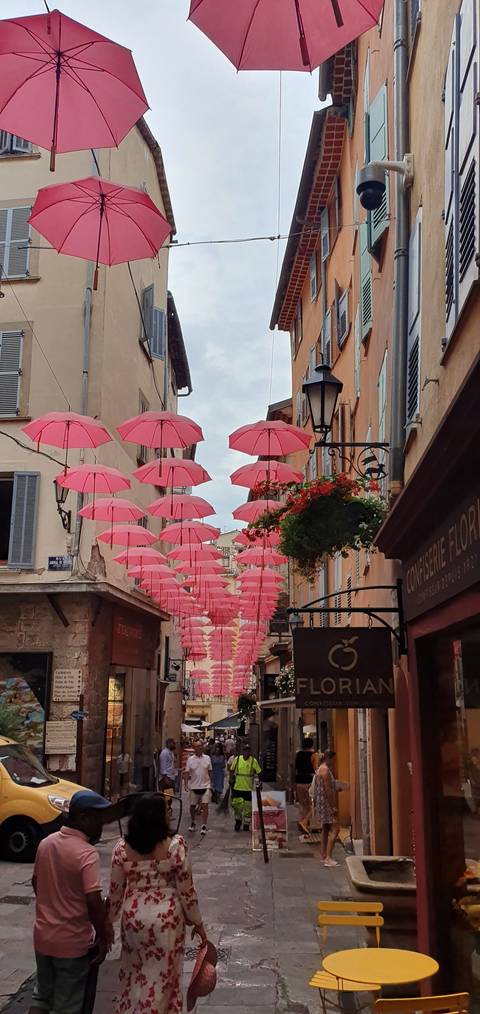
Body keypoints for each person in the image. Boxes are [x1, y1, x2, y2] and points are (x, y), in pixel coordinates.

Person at [108, 793, 207, 1014]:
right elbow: (187, 891)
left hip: (133, 920)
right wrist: (197, 923)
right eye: (167, 811)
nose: (170, 815)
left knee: (133, 975)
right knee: (164, 980)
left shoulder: (121, 849)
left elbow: (115, 893)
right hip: (167, 921)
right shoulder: (175, 846)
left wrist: (107, 922)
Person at [29, 790, 113, 1014]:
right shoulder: (86, 854)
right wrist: (103, 938)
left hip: (43, 937)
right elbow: (94, 902)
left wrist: (53, 906)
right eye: (98, 819)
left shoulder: (46, 844)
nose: (101, 826)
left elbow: (36, 882)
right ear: (84, 818)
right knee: (67, 1005)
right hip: (72, 943)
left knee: (41, 997)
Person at [312, 750, 340, 866]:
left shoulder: (320, 769)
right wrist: (333, 806)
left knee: (325, 829)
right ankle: (328, 857)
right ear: (329, 758)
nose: (334, 762)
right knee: (335, 829)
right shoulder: (326, 770)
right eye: (333, 759)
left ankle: (324, 854)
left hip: (321, 803)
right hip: (326, 804)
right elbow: (328, 790)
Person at [228, 742, 262, 832]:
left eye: (248, 751)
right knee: (237, 805)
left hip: (248, 788)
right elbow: (231, 770)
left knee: (248, 807)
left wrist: (260, 782)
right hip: (238, 787)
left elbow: (259, 772)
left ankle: (246, 824)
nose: (246, 752)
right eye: (245, 750)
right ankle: (238, 821)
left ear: (250, 752)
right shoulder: (237, 759)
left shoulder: (253, 761)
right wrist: (231, 779)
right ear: (242, 751)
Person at [184, 740, 213, 835]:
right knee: (192, 806)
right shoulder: (190, 759)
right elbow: (187, 772)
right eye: (197, 746)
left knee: (205, 805)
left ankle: (204, 824)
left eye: (201, 746)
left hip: (206, 785)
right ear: (194, 748)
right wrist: (185, 784)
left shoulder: (207, 758)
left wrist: (211, 783)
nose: (199, 748)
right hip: (194, 786)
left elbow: (210, 771)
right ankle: (193, 821)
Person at [295, 737, 315, 831]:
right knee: (312, 804)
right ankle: (305, 823)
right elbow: (315, 768)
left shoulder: (298, 754)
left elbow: (294, 768)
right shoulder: (314, 755)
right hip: (309, 781)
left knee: (303, 804)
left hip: (299, 781)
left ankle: (303, 822)